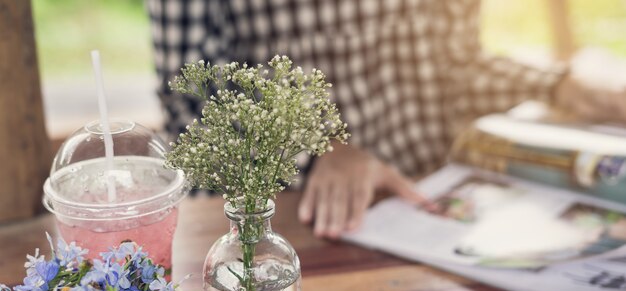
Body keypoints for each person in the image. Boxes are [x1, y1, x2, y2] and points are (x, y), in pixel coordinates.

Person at [147, 0, 626, 239]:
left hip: (426, 205)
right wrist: (314, 151)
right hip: (278, 228)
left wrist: (559, 86)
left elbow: (455, 63)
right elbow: (190, 98)